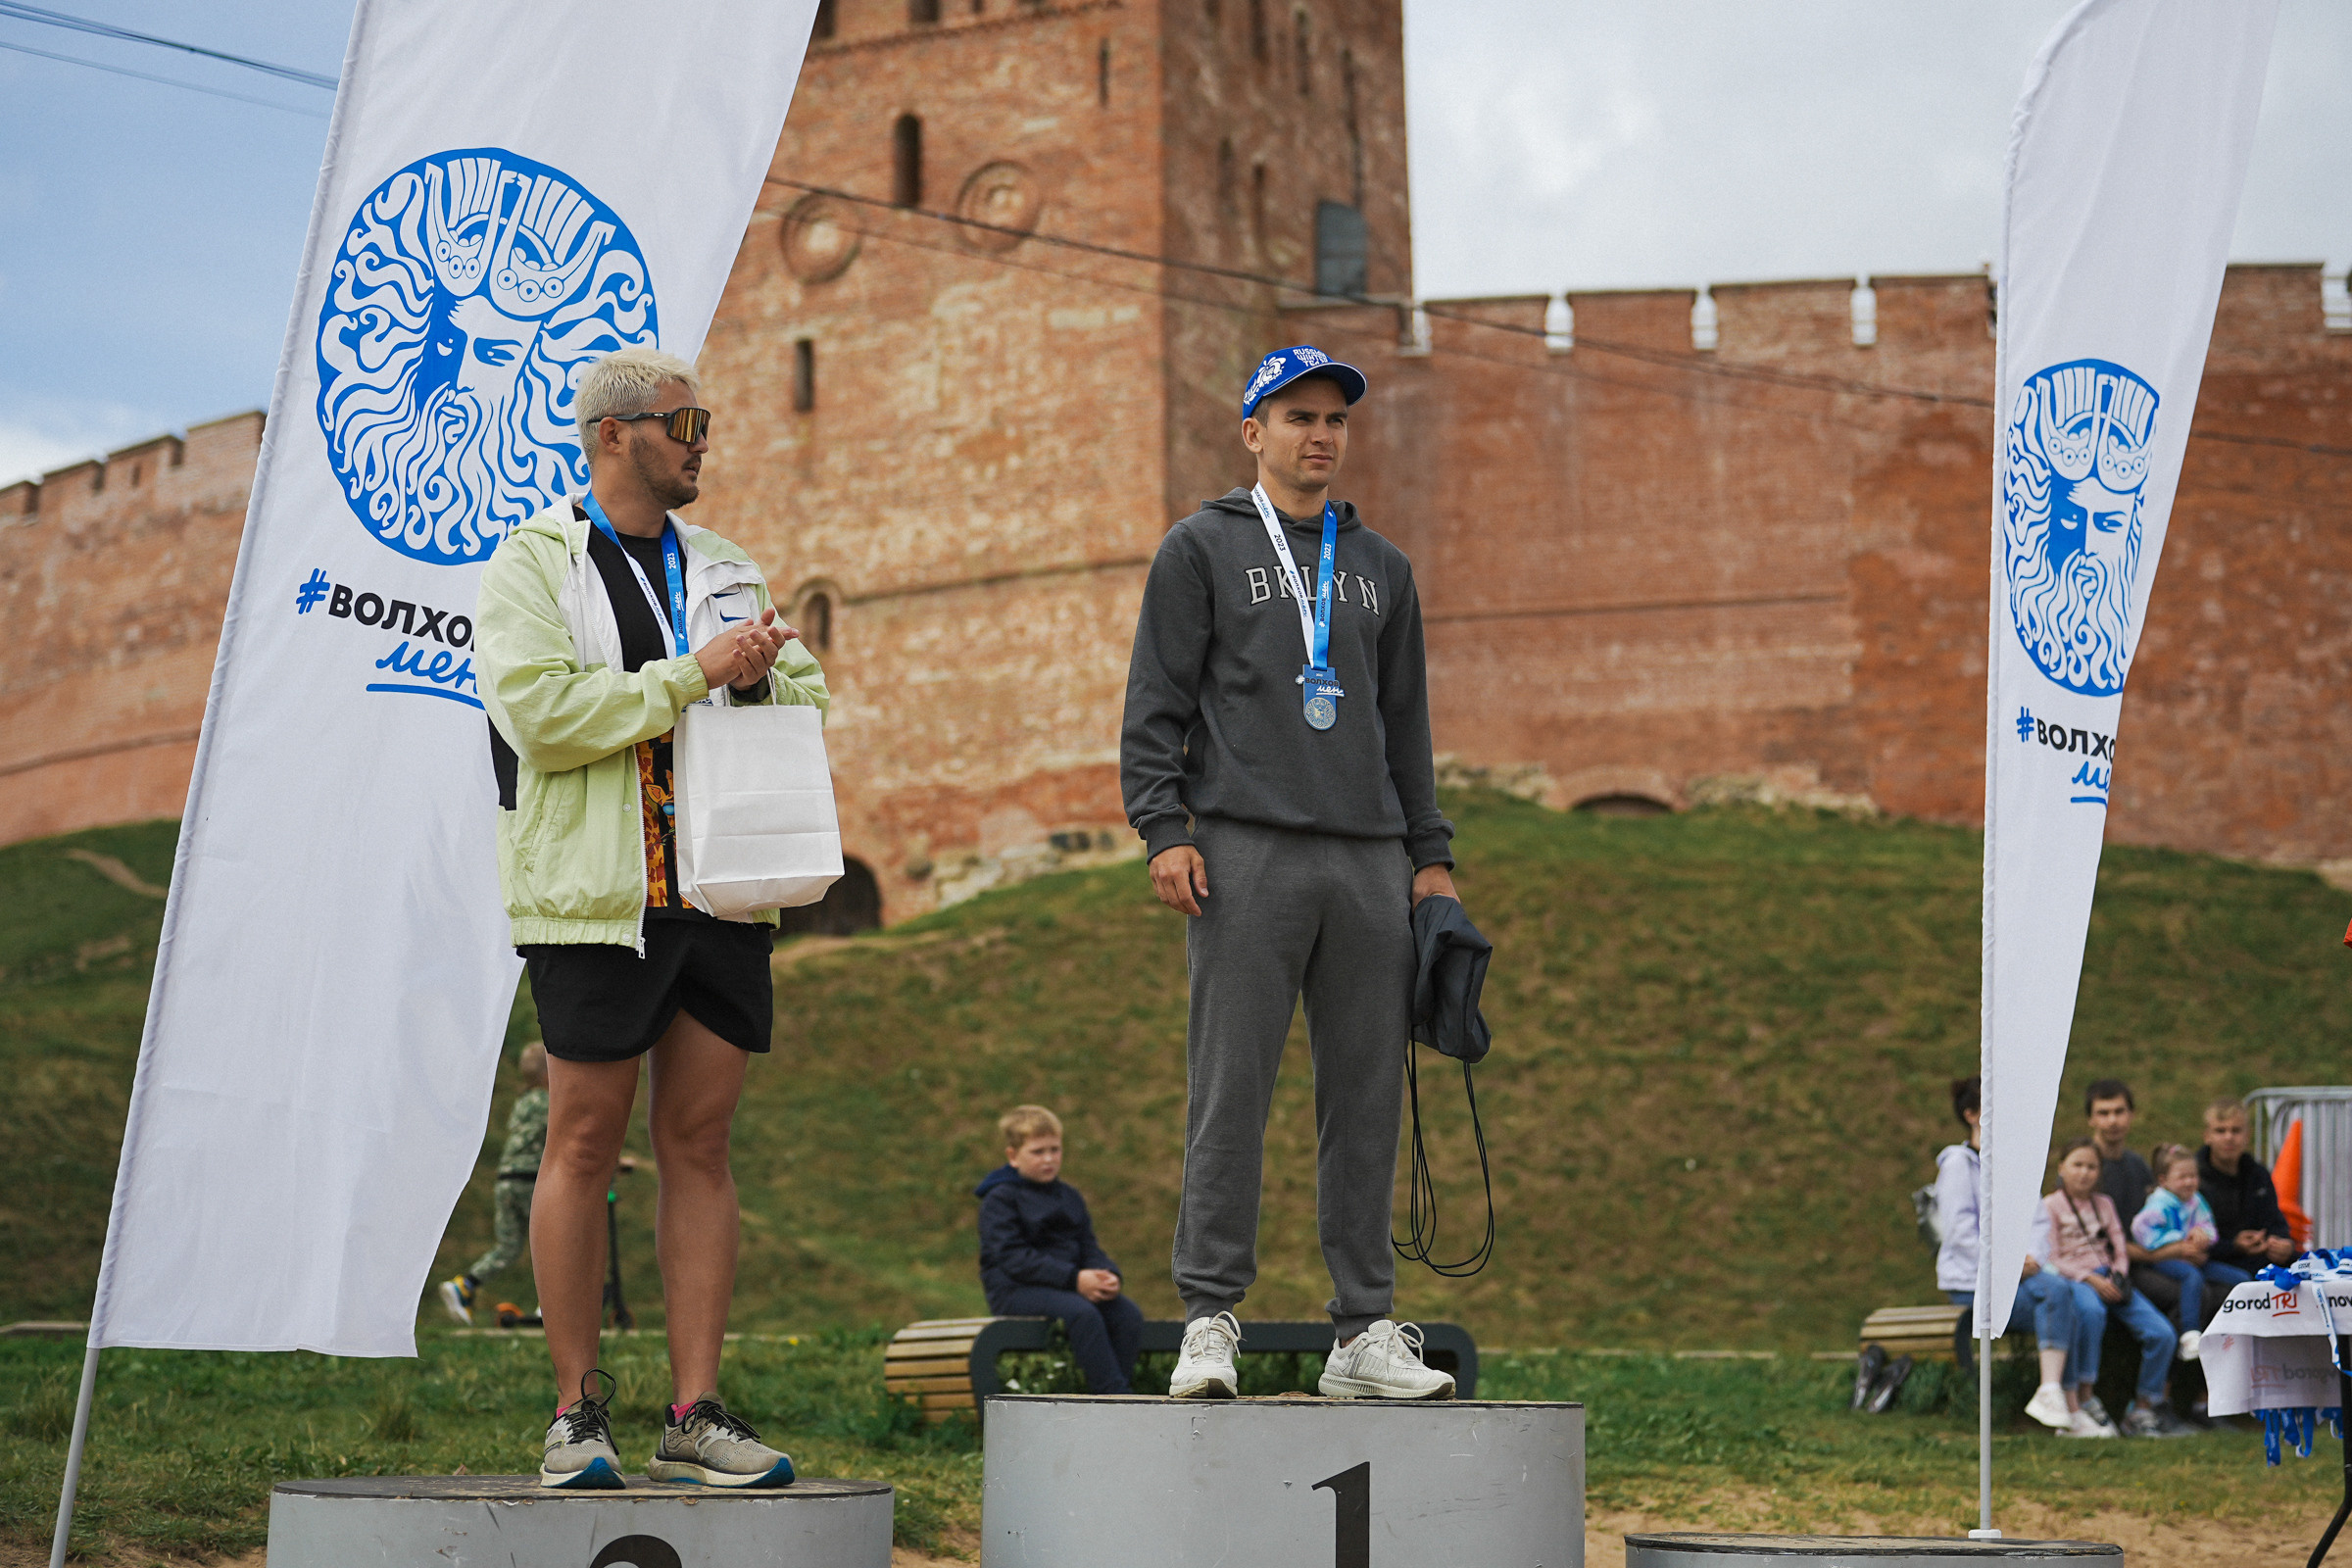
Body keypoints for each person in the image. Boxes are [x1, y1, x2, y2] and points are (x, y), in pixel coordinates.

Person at [476, 347, 828, 1490]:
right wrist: (689, 676)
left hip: (721, 889)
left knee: (702, 1147)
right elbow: (538, 714)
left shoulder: (726, 562)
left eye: (703, 420)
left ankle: (696, 1409)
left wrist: (758, 672)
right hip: (596, 899)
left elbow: (809, 691)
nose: (703, 440)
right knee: (581, 1141)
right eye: (687, 422)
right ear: (615, 434)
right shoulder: (534, 561)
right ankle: (576, 1413)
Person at [1119, 345, 1456, 1403]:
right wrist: (1162, 826)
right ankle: (1209, 1317)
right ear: (1253, 432)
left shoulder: (1381, 567)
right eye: (1297, 416)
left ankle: (1363, 1327)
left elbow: (1409, 726)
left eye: (1336, 420)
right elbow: (1155, 703)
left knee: (1367, 1099)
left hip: (1368, 857)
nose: (1321, 434)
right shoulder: (1201, 548)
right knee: (1232, 1090)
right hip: (1242, 848)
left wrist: (1432, 857)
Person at [1934, 1078, 2086, 1434]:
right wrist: (2005, 1267)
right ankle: (2059, 1396)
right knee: (2059, 1297)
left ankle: (2068, 1404)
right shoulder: (1958, 1165)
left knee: (2070, 1300)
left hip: (2022, 1277)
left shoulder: (2014, 1164)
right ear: (1971, 1115)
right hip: (1971, 1284)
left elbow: (2037, 1221)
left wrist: (2030, 1256)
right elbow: (1959, 1234)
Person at [975, 1105, 1145, 1396]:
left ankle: (1116, 1391)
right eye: (1038, 1152)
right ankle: (1113, 1395)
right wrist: (1075, 1280)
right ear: (1013, 1156)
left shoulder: (1069, 1197)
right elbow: (1013, 1258)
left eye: (1055, 1150)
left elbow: (1088, 1247)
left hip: (1066, 1286)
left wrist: (1107, 1275)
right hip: (1015, 1291)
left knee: (1127, 1313)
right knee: (1082, 1313)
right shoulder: (999, 1200)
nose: (1049, 1159)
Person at [2042, 1139, 2193, 1439]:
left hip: (2111, 1278)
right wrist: (2091, 1279)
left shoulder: (2104, 1203)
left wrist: (2118, 1274)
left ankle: (2141, 1408)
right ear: (2062, 1168)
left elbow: (2119, 1245)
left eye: (2091, 1167)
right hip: (2078, 1280)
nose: (2084, 1173)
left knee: (2161, 1333)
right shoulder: (2050, 1205)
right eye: (2077, 1165)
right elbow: (2052, 1256)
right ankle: (2085, 1396)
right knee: (2090, 1312)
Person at [438, 1043, 550, 1325]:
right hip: (530, 1179)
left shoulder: (522, 1102)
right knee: (554, 1239)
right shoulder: (549, 1102)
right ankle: (550, 1306)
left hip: (506, 1179)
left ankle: (464, 1285)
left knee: (509, 1247)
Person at [2132, 1142, 2248, 1357]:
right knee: (2191, 1277)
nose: (2189, 1182)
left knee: (2241, 1279)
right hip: (2167, 1261)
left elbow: (2209, 1226)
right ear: (2163, 1180)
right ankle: (2189, 1334)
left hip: (2197, 1258)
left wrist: (2203, 1237)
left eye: (2193, 1176)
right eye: (2182, 1177)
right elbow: (2141, 1231)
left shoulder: (2196, 1200)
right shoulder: (2159, 1204)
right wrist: (2180, 1241)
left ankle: (2246, 1329)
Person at [2082, 1078, 2180, 1325]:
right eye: (2103, 1113)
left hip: (2144, 1257)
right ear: (2091, 1119)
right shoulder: (2082, 1169)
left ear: (2131, 1115)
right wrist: (2157, 1255)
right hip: (2103, 1269)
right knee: (2180, 1292)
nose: (2112, 1120)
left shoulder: (2137, 1165)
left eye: (2119, 1112)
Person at [2198, 1097, 2296, 1273]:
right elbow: (2189, 1239)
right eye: (2220, 1131)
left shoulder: (2258, 1174)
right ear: (2207, 1136)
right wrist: (2234, 1246)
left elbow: (2276, 1222)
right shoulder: (2193, 1179)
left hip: (2261, 1260)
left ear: (2247, 1135)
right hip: (2215, 1263)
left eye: (2236, 1130)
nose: (2229, 1137)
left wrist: (2283, 1245)